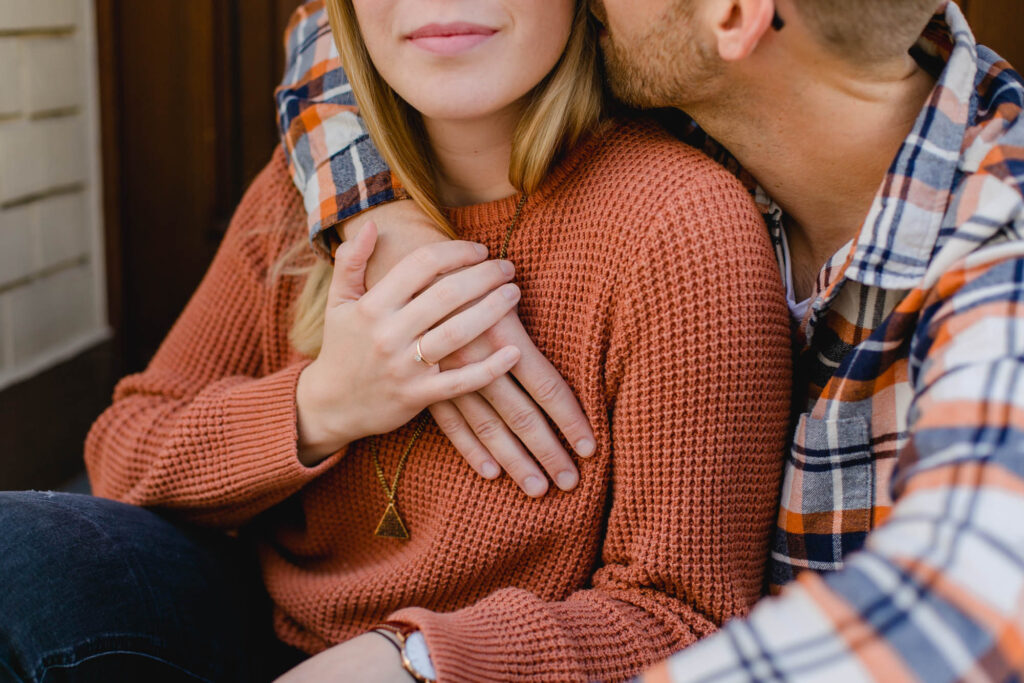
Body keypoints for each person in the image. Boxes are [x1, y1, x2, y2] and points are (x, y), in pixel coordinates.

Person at [0, 0, 792, 681]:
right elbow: (123, 451)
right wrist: (322, 405)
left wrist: (412, 658)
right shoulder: (299, 192)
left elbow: (686, 617)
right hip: (257, 627)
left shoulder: (678, 224)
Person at [276, 0, 1024, 680]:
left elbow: (957, 613)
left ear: (734, 16)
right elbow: (339, 30)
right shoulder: (716, 86)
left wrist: (425, 665)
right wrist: (383, 219)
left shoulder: (1001, 276)